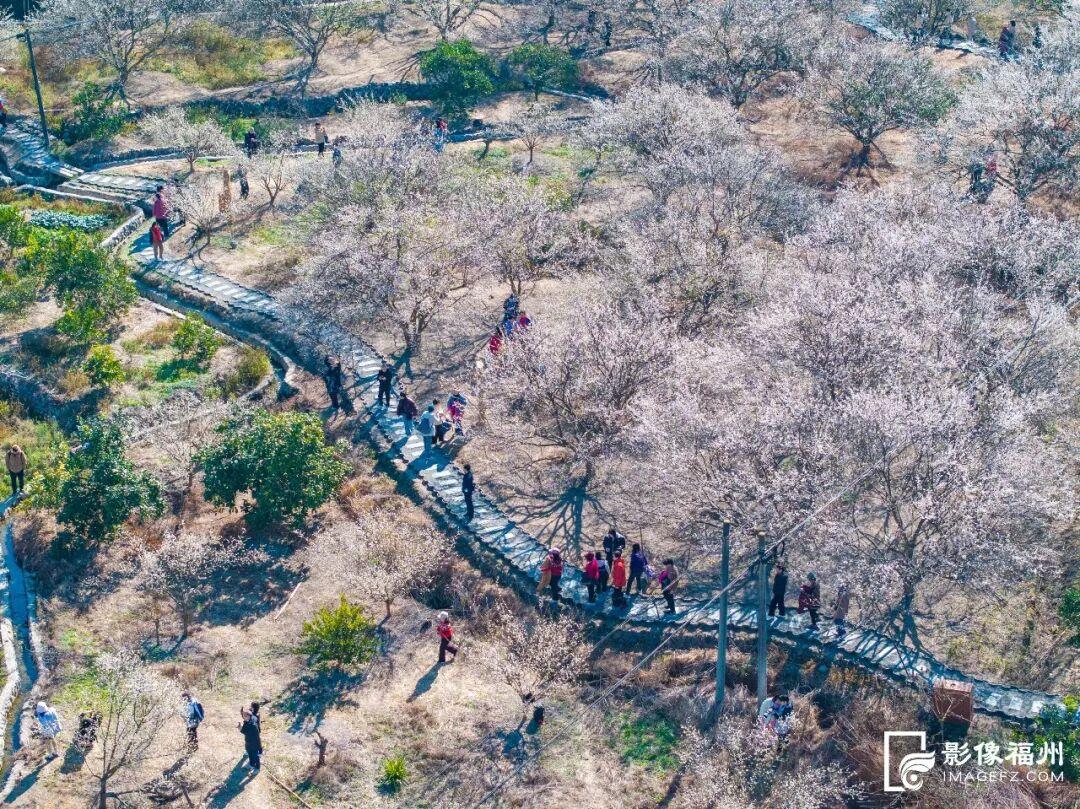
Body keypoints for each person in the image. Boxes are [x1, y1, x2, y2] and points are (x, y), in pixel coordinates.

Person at [239, 707, 262, 772]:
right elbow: (245, 731)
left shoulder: (252, 725)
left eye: (244, 716)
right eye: (242, 715)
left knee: (255, 756)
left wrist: (240, 728)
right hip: (249, 742)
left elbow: (245, 731)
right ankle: (251, 764)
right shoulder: (249, 720)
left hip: (254, 744)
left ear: (248, 716)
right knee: (250, 754)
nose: (243, 717)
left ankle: (257, 768)